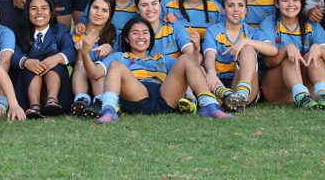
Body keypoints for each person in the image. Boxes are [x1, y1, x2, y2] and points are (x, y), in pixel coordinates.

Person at [78, 18, 231, 123]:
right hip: (137, 94)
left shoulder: (162, 58)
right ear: (126, 38)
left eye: (145, 33)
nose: (141, 37)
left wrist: (197, 48)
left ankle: (209, 106)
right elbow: (95, 74)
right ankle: (109, 110)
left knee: (187, 58)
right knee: (115, 66)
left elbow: (193, 66)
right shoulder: (120, 56)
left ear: (151, 38)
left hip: (165, 96)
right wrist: (85, 53)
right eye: (135, 33)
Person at [202, 0, 277, 111]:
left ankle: (241, 95)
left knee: (248, 50)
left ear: (246, 10)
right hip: (218, 82)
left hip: (242, 82)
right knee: (200, 68)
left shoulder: (253, 32)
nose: (236, 9)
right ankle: (227, 96)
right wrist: (211, 72)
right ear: (223, 10)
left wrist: (244, 41)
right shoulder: (213, 30)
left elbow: (273, 50)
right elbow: (209, 55)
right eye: (231, 5)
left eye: (240, 5)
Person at [260, 0, 325, 109]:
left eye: (295, 0)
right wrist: (286, 49)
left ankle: (323, 94)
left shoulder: (311, 24)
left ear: (301, 3)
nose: (290, 4)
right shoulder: (269, 23)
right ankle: (301, 95)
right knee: (290, 58)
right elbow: (268, 62)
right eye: (285, 0)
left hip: (310, 91)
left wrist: (318, 48)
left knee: (313, 54)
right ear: (277, 4)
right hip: (278, 89)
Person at [10, 0, 76, 118]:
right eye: (34, 8)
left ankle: (52, 101)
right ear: (27, 12)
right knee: (32, 66)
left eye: (44, 8)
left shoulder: (60, 29)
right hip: (28, 86)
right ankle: (34, 106)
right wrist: (26, 62)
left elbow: (71, 50)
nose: (39, 12)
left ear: (51, 13)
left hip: (55, 84)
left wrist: (56, 58)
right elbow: (13, 54)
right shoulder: (19, 32)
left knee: (56, 64)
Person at [71, 0, 117, 118]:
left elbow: (116, 60)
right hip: (80, 79)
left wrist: (109, 49)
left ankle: (99, 101)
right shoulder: (78, 33)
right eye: (95, 8)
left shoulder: (113, 34)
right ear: (89, 9)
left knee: (98, 66)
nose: (98, 13)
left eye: (104, 10)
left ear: (110, 14)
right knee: (81, 65)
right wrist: (82, 49)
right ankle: (81, 100)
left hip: (103, 80)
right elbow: (74, 61)